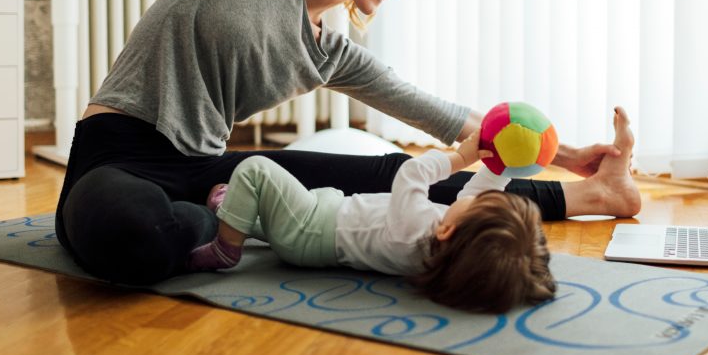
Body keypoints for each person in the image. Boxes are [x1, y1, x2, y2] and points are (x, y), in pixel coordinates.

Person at [57, 0, 641, 286]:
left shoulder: (327, 53)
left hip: (207, 167)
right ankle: (215, 221)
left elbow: (446, 119)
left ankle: (595, 197)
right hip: (119, 153)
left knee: (400, 176)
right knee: (129, 233)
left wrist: (563, 156)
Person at [187, 130, 556, 314]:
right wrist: (500, 168)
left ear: (448, 229)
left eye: (483, 203)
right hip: (320, 229)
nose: (478, 197)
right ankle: (236, 214)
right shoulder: (444, 245)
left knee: (253, 170)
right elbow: (474, 198)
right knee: (280, 199)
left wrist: (459, 158)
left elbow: (411, 174)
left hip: (311, 228)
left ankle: (226, 247)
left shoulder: (414, 228)